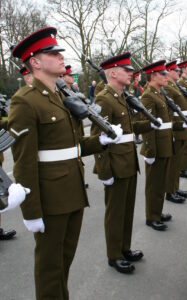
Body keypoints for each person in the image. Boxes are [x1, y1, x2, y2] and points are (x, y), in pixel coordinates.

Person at [9, 27, 122, 299]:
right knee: (50, 267)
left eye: (59, 51)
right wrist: (31, 211)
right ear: (35, 62)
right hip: (49, 198)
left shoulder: (61, 96)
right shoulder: (25, 101)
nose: (61, 57)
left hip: (72, 191)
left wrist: (101, 142)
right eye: (53, 53)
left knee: (64, 262)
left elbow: (72, 147)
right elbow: (24, 161)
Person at [91, 52, 157, 274]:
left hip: (128, 162)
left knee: (127, 210)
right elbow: (98, 138)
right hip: (115, 166)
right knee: (115, 212)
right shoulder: (104, 99)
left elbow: (128, 131)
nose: (131, 73)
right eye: (126, 70)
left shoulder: (122, 96)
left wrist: (150, 125)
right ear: (112, 73)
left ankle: (125, 248)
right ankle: (114, 254)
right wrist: (104, 171)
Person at [140, 60, 187, 231]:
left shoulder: (160, 93)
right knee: (154, 184)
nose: (166, 76)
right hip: (156, 147)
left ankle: (158, 211)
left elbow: (166, 122)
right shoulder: (148, 95)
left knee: (161, 182)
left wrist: (180, 125)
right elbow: (148, 126)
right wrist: (149, 151)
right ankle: (151, 216)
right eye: (162, 73)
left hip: (165, 144)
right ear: (153, 76)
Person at [164, 60, 187, 204]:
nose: (178, 72)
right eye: (175, 70)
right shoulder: (167, 88)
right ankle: (170, 191)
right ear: (168, 72)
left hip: (182, 126)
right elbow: (168, 113)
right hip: (176, 129)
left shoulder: (175, 86)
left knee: (177, 162)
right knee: (173, 163)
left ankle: (175, 187)